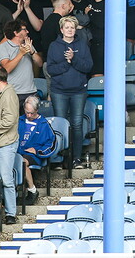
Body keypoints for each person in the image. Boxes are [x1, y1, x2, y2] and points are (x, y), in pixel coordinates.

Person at [45, 15, 92, 169]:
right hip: (59, 91)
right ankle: (58, 158)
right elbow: (51, 69)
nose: (70, 30)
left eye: (72, 27)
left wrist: (74, 59)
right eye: (67, 27)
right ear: (61, 30)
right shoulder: (54, 46)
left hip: (78, 90)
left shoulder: (83, 44)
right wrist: (67, 62)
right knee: (60, 124)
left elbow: (88, 67)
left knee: (77, 124)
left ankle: (76, 159)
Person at [17, 96, 54, 206]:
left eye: (31, 113)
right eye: (27, 112)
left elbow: (51, 144)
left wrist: (37, 150)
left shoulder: (44, 124)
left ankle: (32, 190)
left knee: (22, 162)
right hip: (18, 152)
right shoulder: (20, 121)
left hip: (34, 154)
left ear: (37, 110)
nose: (29, 115)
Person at [0, 67, 17, 224]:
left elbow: (9, 121)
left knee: (6, 179)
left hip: (6, 143)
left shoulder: (9, 94)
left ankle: (11, 213)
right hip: (1, 140)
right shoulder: (1, 93)